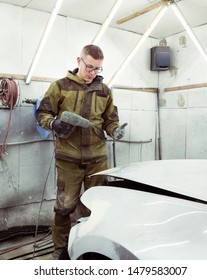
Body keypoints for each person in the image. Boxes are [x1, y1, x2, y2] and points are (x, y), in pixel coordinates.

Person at [36, 44, 126, 260]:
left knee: (97, 206)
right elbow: (42, 113)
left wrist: (115, 130)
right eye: (89, 67)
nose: (92, 73)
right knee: (64, 206)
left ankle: (92, 246)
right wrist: (54, 124)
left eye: (97, 69)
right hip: (69, 159)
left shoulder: (105, 91)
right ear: (79, 61)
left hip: (97, 159)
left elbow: (110, 120)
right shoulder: (59, 86)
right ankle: (61, 247)